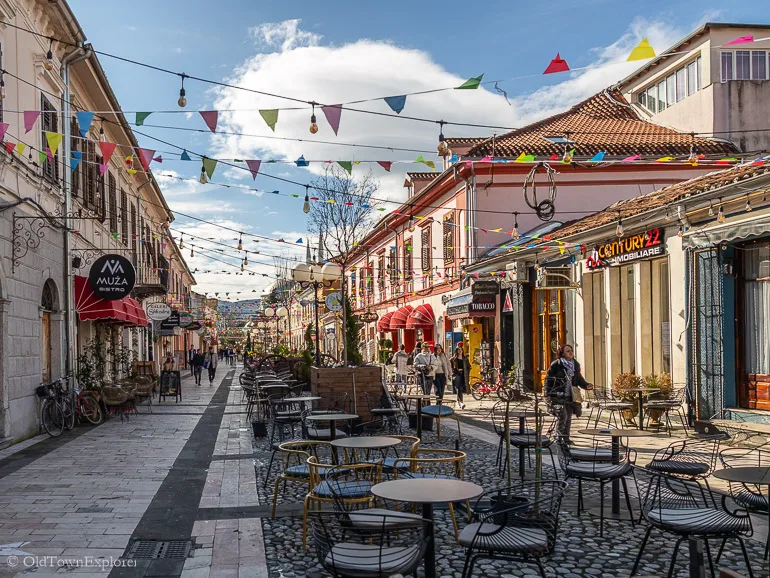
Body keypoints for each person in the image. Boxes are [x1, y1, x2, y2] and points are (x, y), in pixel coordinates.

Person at [544, 344, 593, 444]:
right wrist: (547, 393)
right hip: (558, 395)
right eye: (567, 351)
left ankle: (566, 438)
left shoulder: (575, 364)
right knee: (563, 415)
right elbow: (548, 380)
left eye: (571, 350)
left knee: (569, 417)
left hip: (571, 395)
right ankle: (558, 437)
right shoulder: (556, 364)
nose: (570, 352)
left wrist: (586, 385)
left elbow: (578, 378)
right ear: (562, 353)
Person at [450, 344, 470, 409]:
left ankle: (459, 402)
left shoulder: (465, 359)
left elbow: (469, 367)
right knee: (459, 388)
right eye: (458, 350)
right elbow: (450, 366)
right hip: (457, 374)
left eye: (461, 350)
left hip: (463, 375)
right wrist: (454, 371)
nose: (459, 351)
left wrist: (466, 371)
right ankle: (460, 402)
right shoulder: (453, 359)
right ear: (456, 351)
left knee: (461, 388)